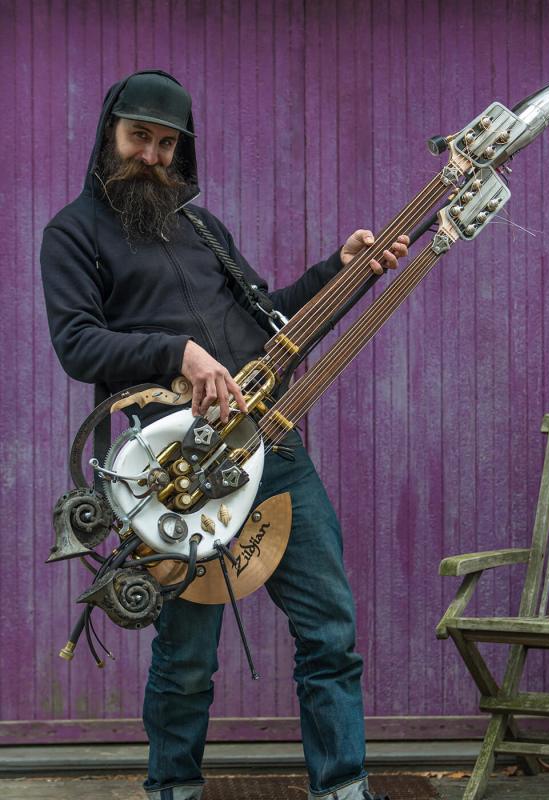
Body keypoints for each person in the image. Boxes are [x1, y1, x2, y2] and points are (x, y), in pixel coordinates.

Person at [40, 70, 409, 800]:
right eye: (138, 137)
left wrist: (340, 272)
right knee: (185, 658)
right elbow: (78, 343)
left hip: (274, 453)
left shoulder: (205, 228)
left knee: (330, 635)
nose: (151, 155)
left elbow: (266, 321)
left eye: (166, 143)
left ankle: (343, 788)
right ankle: (171, 788)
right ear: (109, 135)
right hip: (176, 470)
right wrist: (175, 351)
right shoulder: (72, 233)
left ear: (182, 151)